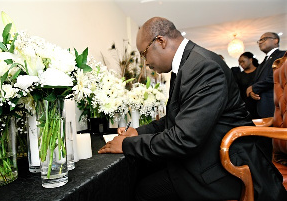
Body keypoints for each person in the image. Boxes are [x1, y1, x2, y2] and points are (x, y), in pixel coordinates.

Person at [98, 17, 286, 201]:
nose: (144, 62)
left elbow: (184, 138)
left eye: (144, 53)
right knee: (142, 170)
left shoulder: (203, 66)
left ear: (161, 41)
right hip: (208, 153)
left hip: (225, 166)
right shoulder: (187, 65)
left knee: (143, 190)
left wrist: (126, 144)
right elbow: (174, 119)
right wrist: (137, 132)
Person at [246, 32, 286, 118]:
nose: (260, 42)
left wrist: (254, 88)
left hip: (276, 107)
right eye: (259, 40)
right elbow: (255, 80)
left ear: (276, 41)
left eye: (264, 39)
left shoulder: (283, 55)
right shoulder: (263, 62)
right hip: (262, 107)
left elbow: (276, 76)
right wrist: (252, 91)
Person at [235, 52, 259, 118]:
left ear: (251, 60)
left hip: (260, 104)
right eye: (240, 62)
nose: (241, 64)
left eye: (243, 61)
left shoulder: (259, 71)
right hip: (247, 107)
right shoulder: (239, 76)